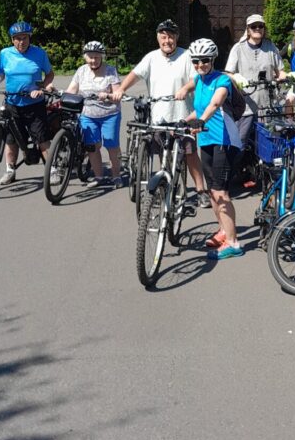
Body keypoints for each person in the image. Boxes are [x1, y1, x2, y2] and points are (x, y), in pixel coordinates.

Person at [112, 19, 210, 207]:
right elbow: (135, 74)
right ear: (158, 38)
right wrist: (121, 89)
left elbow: (196, 78)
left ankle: (200, 190)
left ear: (177, 38)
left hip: (183, 115)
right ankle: (166, 185)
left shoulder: (187, 56)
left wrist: (185, 89)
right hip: (159, 116)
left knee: (190, 154)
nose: (167, 41)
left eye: (171, 37)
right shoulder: (151, 57)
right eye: (163, 37)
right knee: (163, 153)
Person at [179, 38, 244, 260]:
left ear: (213, 59)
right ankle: (224, 231)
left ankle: (234, 243)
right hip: (206, 141)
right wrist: (184, 122)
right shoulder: (199, 80)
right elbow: (199, 109)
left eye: (204, 60)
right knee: (212, 192)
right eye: (195, 61)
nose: (200, 65)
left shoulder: (222, 80)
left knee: (220, 192)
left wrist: (202, 120)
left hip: (224, 142)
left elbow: (215, 104)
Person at [0, 20, 55, 185]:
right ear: (12, 39)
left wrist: (44, 87)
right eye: (17, 38)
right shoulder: (5, 54)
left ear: (29, 38)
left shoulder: (39, 53)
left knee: (42, 139)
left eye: (24, 38)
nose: (21, 42)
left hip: (34, 103)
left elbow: (49, 74)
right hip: (12, 102)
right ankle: (10, 171)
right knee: (11, 139)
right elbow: (0, 75)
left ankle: (52, 170)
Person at [224, 13, 285, 189]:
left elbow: (279, 70)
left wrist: (285, 77)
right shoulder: (239, 48)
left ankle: (267, 178)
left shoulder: (270, 46)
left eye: (260, 26)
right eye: (254, 27)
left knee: (268, 142)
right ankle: (231, 175)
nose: (258, 29)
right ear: (248, 30)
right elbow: (228, 72)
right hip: (246, 104)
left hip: (267, 102)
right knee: (240, 142)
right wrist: (237, 78)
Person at [64, 41, 122, 187]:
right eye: (90, 57)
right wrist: (63, 95)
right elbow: (72, 89)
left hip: (109, 114)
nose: (93, 60)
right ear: (85, 57)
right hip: (88, 114)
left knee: (111, 145)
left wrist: (108, 96)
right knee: (92, 146)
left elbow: (118, 92)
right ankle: (99, 177)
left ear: (102, 57)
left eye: (96, 57)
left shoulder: (110, 71)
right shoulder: (81, 71)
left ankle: (116, 175)